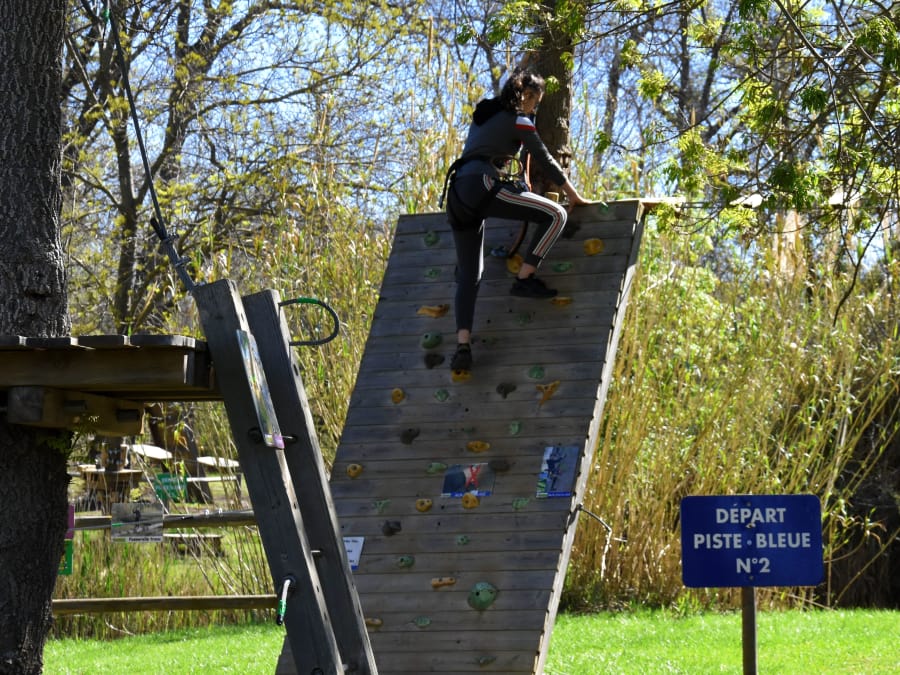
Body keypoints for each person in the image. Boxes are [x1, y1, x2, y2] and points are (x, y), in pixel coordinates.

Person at [441, 69, 590, 371]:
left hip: (457, 194)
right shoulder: (519, 119)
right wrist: (573, 196)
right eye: (535, 101)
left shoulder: (486, 114)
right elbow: (545, 158)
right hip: (481, 185)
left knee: (470, 274)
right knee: (555, 213)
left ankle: (463, 345)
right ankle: (524, 279)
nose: (535, 108)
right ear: (527, 96)